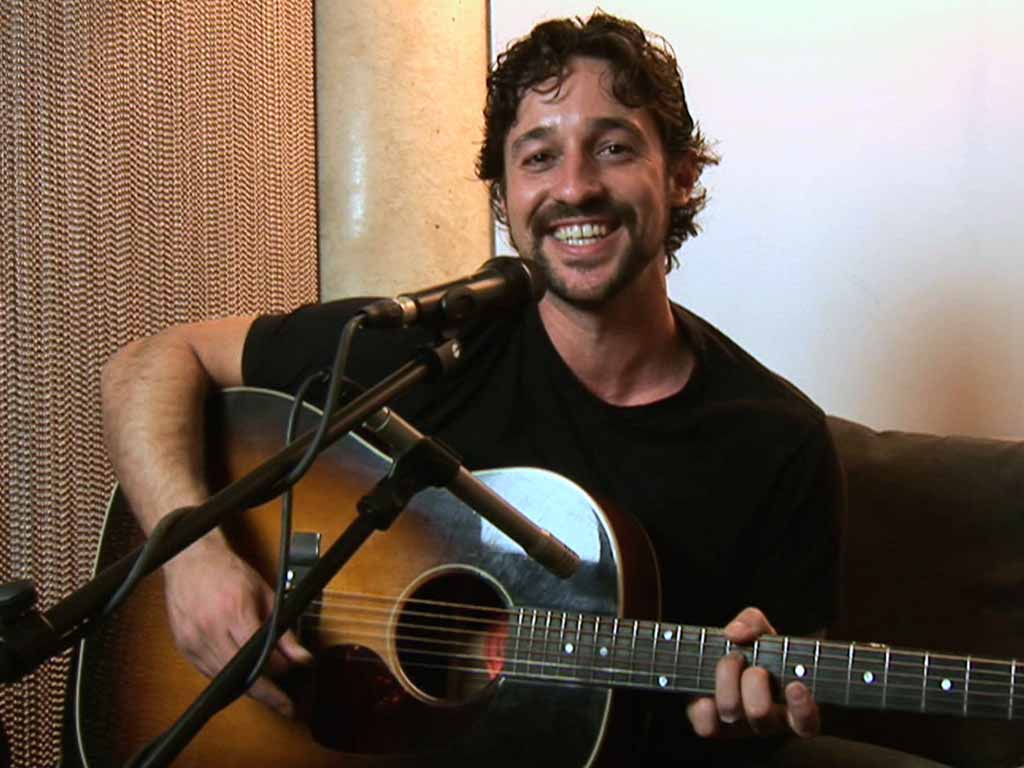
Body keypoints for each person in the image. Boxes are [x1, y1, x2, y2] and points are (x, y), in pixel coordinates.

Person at [101, 11, 939, 767]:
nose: (574, 186)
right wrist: (192, 557)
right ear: (504, 198)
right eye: (539, 157)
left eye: (614, 147)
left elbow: (777, 696)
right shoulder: (431, 347)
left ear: (680, 175)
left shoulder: (776, 442)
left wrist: (748, 717)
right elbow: (147, 363)